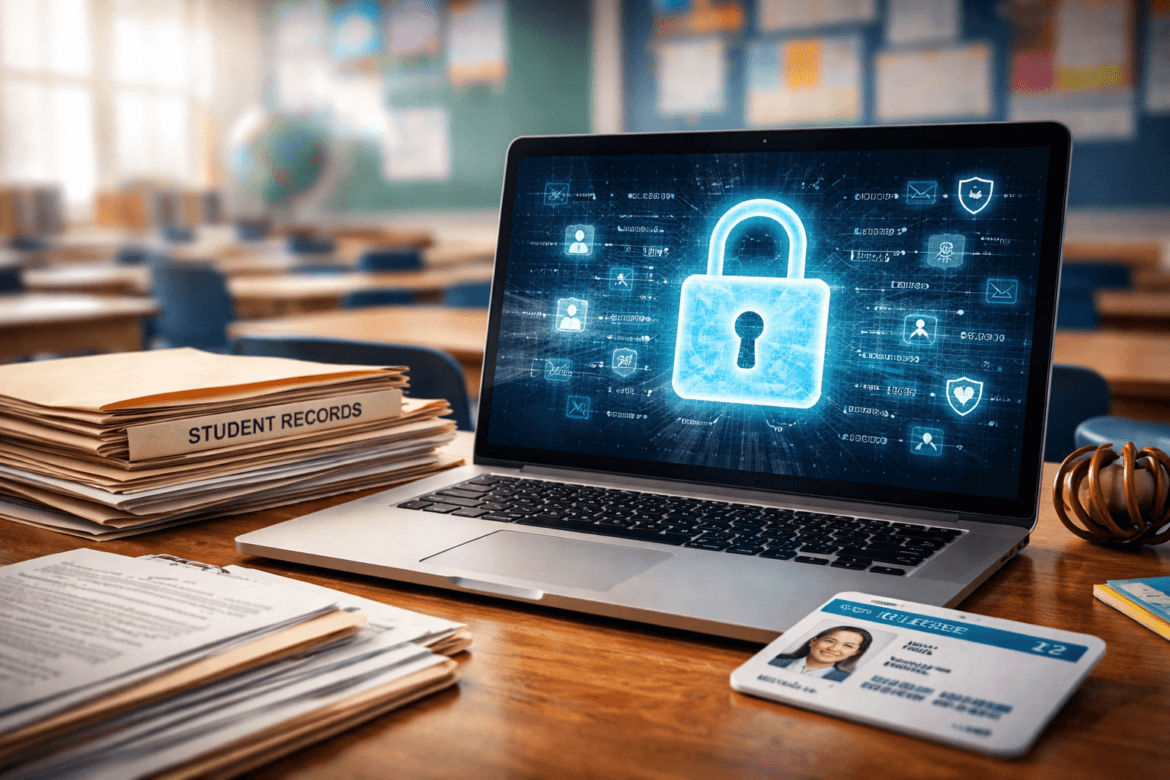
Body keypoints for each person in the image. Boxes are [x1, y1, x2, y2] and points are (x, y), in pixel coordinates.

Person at [768, 626, 873, 681]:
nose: (834, 648)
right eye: (829, 641)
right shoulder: (772, 661)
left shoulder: (846, 680)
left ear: (855, 652)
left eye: (848, 646)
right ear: (813, 641)